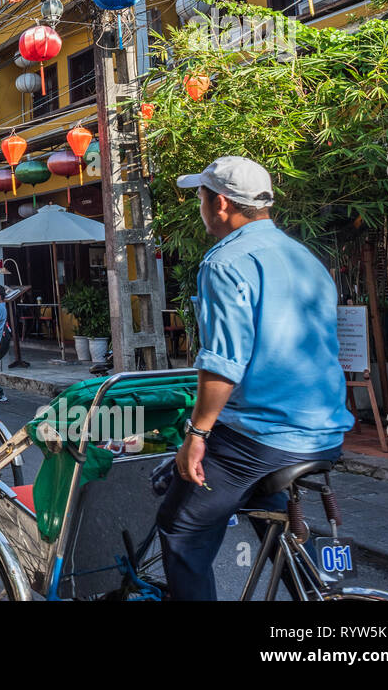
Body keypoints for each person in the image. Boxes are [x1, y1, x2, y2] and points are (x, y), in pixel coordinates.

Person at [157, 157, 355, 601]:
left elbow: (224, 362)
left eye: (202, 198)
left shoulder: (224, 263)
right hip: (325, 432)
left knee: (181, 527)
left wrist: (197, 432)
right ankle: (313, 594)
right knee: (264, 504)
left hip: (263, 436)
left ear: (221, 203)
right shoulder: (306, 259)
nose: (201, 208)